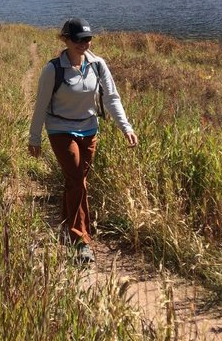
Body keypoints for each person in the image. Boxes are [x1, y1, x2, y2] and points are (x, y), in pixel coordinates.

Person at [29, 17, 138, 264]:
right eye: (78, 39)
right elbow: (41, 105)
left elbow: (112, 98)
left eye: (88, 39)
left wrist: (126, 127)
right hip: (60, 129)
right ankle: (81, 241)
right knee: (77, 177)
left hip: (89, 129)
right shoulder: (53, 70)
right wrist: (34, 137)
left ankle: (67, 229)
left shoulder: (98, 65)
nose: (84, 44)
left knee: (76, 180)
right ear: (65, 39)